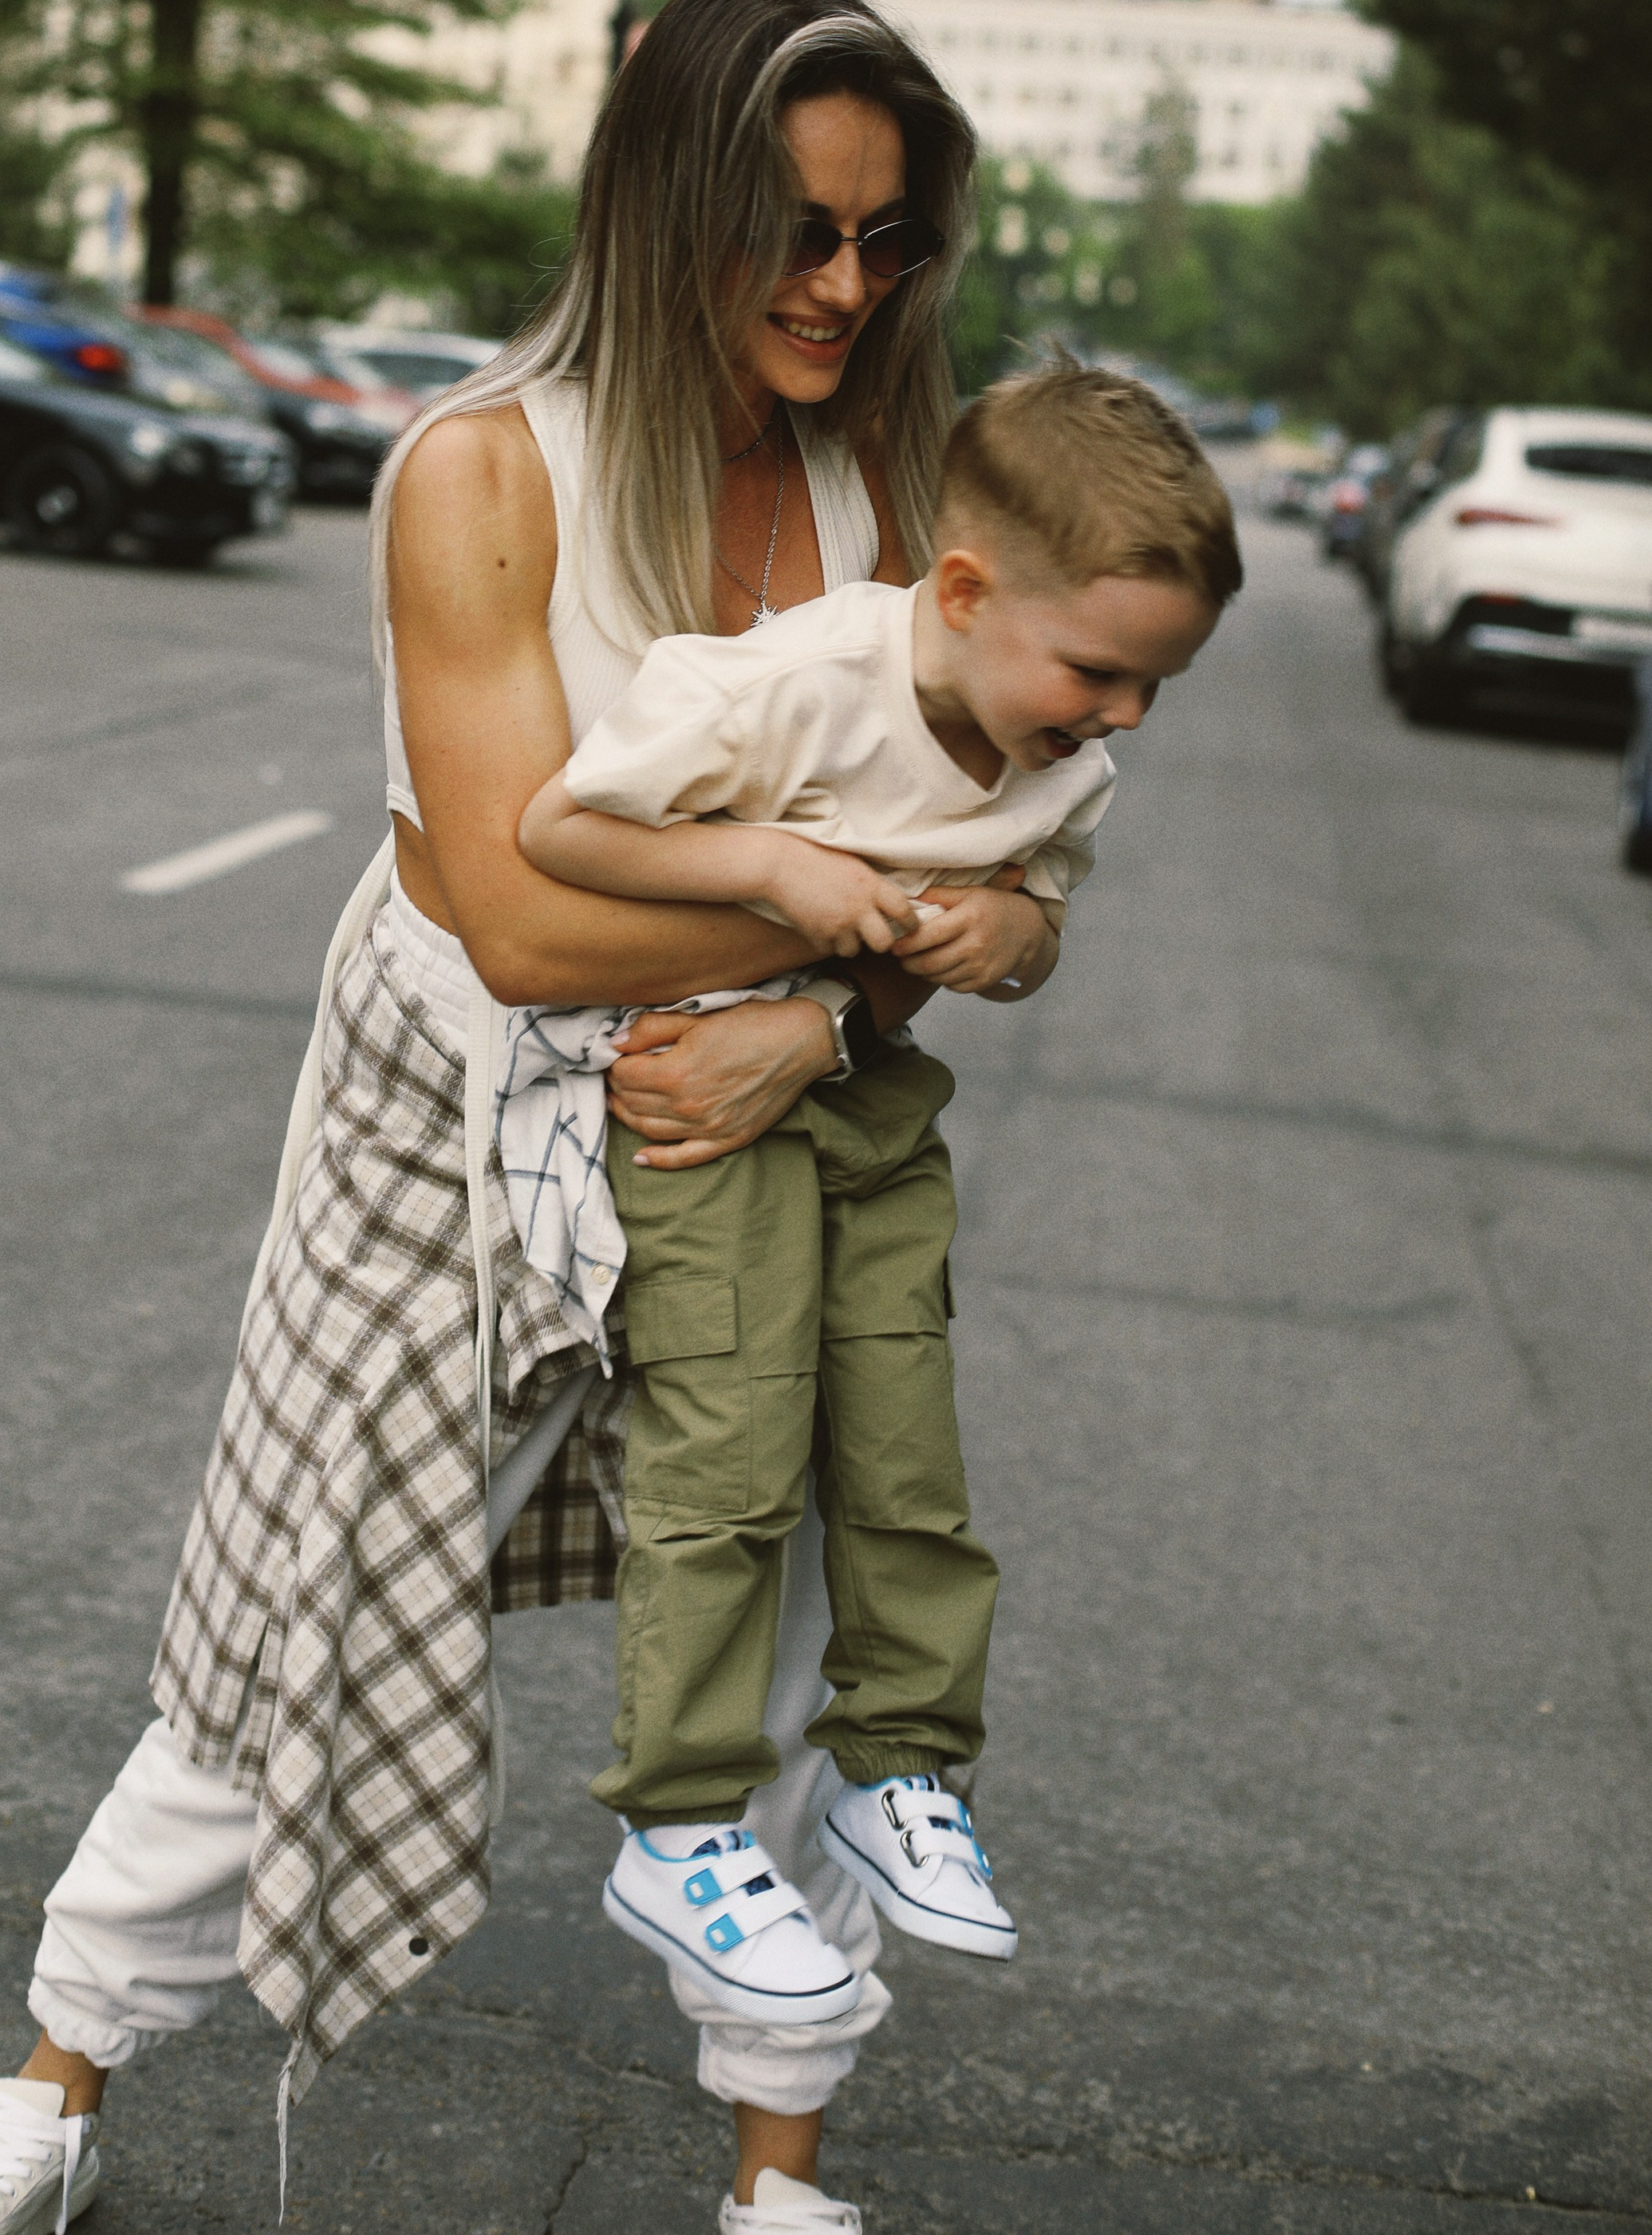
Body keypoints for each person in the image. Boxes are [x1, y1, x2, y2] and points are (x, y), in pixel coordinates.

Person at [0, 0, 1035, 2235]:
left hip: (764, 1118)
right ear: (660, 196)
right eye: (797, 229)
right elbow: (519, 919)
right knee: (291, 1606)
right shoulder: (486, 471)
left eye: (890, 242)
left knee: (786, 1631)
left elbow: (993, 863)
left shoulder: (899, 478)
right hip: (454, 1113)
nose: (842, 285)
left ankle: (783, 2180)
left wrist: (827, 1020)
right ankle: (53, 2078)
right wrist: (831, 945)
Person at [508, 360, 1237, 2024]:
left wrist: (1015, 938)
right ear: (964, 592)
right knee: (735, 1453)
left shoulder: (1061, 754)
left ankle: (898, 1765)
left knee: (906, 1452)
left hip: (868, 1099)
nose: (1121, 716)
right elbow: (560, 830)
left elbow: (1031, 907)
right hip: (699, 1111)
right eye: (1101, 673)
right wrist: (767, 862)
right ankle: (679, 1818)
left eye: (1153, 686)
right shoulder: (769, 690)